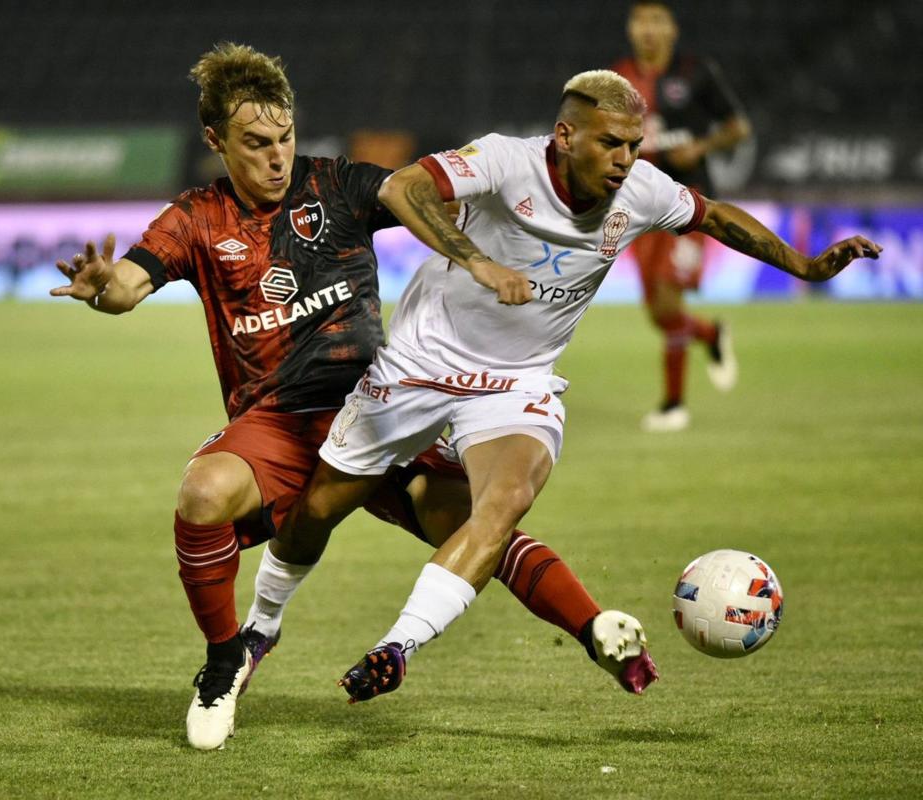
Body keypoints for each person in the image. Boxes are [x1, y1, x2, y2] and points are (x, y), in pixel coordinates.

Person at [50, 44, 621, 750]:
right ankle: (227, 655)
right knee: (201, 496)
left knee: (476, 527)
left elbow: (411, 193)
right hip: (280, 423)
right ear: (215, 141)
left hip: (384, 408)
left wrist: (492, 223)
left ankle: (597, 628)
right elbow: (130, 286)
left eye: (285, 138)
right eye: (256, 143)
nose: (277, 156)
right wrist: (103, 289)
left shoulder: (337, 184)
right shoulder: (196, 218)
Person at [251, 69, 881, 704]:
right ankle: (261, 626)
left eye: (634, 145)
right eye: (611, 143)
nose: (626, 160)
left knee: (502, 504)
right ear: (565, 136)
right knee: (318, 510)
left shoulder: (641, 190)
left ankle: (397, 647)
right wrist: (479, 262)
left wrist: (803, 264)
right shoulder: (504, 160)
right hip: (421, 362)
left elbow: (713, 216)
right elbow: (404, 188)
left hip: (518, 382)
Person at [614, 0, 753, 432]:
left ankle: (674, 405)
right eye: (641, 21)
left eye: (657, 20)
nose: (649, 29)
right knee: (658, 313)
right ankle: (712, 335)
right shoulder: (617, 78)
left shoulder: (695, 72)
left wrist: (699, 147)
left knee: (668, 300)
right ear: (631, 28)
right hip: (639, 206)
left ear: (672, 29)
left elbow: (737, 127)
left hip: (689, 205)